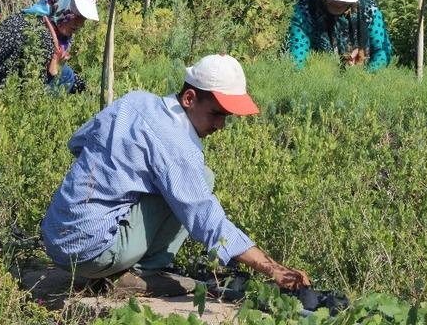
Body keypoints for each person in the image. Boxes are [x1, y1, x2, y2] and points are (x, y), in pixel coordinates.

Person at [41, 54, 311, 296]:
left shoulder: (134, 101)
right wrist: (273, 269)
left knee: (178, 181)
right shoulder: (177, 147)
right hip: (91, 253)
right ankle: (137, 273)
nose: (221, 125)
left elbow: (78, 142)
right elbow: (207, 219)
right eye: (216, 114)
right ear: (189, 98)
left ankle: (113, 266)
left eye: (226, 117)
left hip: (55, 239)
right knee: (199, 180)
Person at [287, 0, 392, 71]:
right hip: (316, 74)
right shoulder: (304, 9)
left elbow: (382, 51)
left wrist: (364, 75)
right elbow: (296, 59)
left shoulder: (369, 8)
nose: (339, 2)